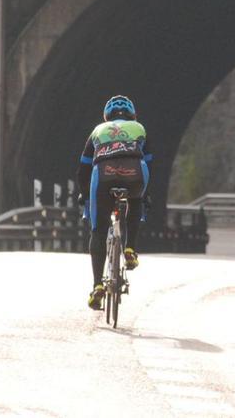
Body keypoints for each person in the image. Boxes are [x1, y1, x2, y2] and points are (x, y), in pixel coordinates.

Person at [75, 95, 153, 310]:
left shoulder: (97, 131)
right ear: (132, 115)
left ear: (106, 116)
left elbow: (83, 168)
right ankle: (130, 249)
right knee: (136, 200)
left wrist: (85, 195)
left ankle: (97, 285)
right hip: (134, 174)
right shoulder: (139, 128)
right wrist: (145, 195)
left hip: (103, 175)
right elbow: (149, 163)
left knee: (98, 231)